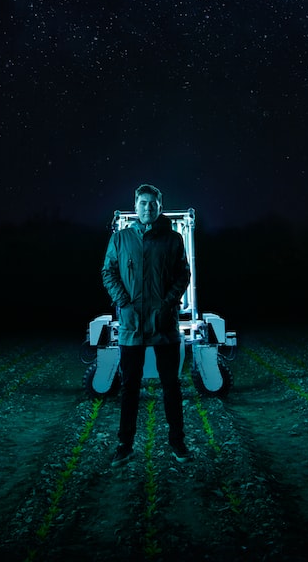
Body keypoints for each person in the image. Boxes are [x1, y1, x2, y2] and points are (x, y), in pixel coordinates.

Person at [101, 183, 193, 467]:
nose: (148, 208)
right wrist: (124, 303)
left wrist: (167, 304)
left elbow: (183, 274)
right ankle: (124, 445)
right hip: (131, 326)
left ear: (160, 207)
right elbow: (109, 272)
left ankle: (178, 444)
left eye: (153, 203)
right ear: (135, 206)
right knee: (129, 387)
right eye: (143, 203)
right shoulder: (121, 239)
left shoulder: (174, 239)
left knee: (171, 386)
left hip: (164, 325)